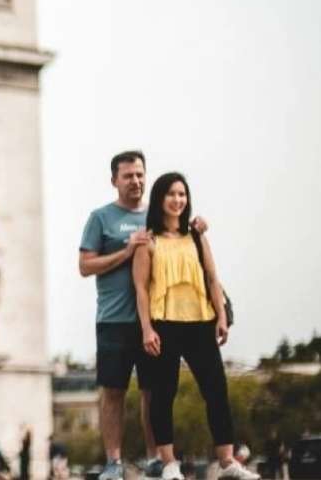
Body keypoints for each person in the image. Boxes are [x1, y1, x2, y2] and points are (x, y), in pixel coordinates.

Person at [79, 151, 207, 480]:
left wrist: (198, 228)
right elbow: (84, 266)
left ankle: (155, 458)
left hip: (156, 320)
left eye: (140, 174)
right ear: (114, 181)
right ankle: (113, 462)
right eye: (128, 176)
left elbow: (183, 243)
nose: (135, 181)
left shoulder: (158, 214)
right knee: (113, 392)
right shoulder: (101, 218)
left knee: (153, 391)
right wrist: (126, 250)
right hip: (113, 320)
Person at [131, 172, 256, 480]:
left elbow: (213, 278)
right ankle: (169, 463)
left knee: (216, 390)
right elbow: (141, 289)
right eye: (171, 194)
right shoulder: (147, 241)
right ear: (160, 199)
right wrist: (147, 328)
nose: (177, 200)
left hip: (200, 321)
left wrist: (221, 317)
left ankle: (227, 462)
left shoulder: (197, 236)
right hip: (164, 323)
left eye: (182, 194)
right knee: (164, 394)